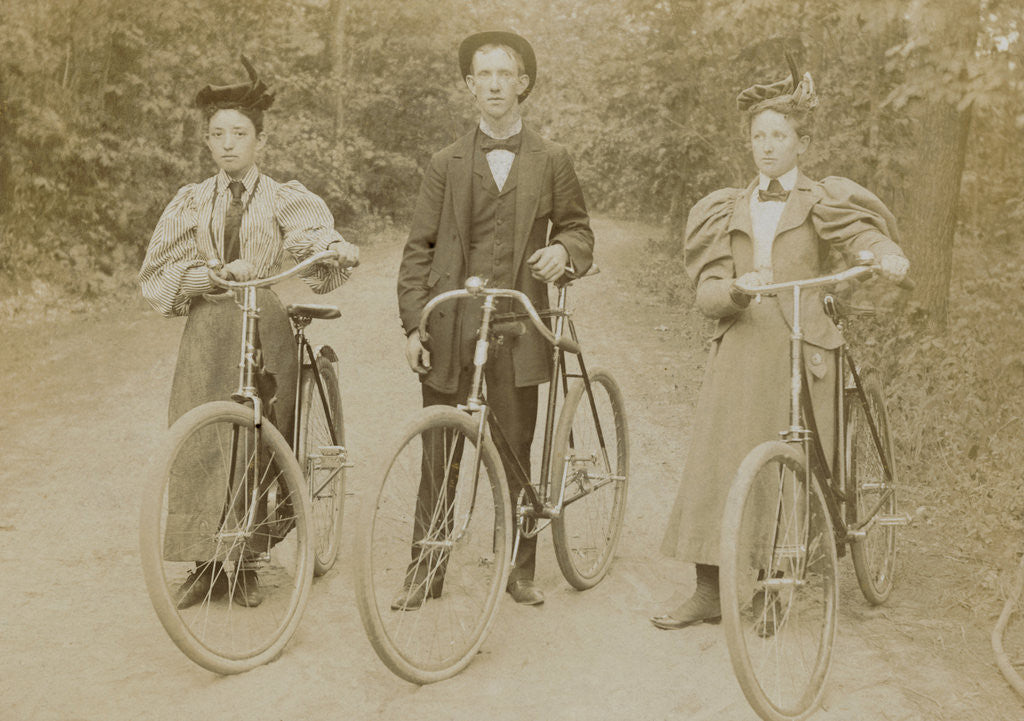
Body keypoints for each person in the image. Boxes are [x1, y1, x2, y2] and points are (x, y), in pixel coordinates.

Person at [651, 57, 910, 629]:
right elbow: (709, 289)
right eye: (758, 136)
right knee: (716, 457)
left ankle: (775, 583)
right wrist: (736, 292)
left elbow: (857, 233)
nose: (767, 147)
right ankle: (708, 588)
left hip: (803, 344)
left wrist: (880, 253)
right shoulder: (725, 208)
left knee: (791, 458)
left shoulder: (822, 200)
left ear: (802, 143)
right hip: (743, 342)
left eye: (779, 136)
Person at [139, 56, 359, 610]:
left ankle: (250, 558)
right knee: (198, 435)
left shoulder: (284, 196)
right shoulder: (191, 201)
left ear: (260, 140)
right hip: (209, 327)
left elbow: (313, 241)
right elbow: (155, 276)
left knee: (261, 434)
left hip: (264, 321)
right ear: (207, 142)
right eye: (218, 135)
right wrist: (203, 276)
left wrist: (333, 248)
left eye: (240, 133)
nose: (228, 144)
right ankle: (204, 563)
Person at [395, 31, 594, 608]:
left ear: (522, 84)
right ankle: (424, 570)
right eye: (483, 75)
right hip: (452, 325)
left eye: (504, 74)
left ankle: (519, 568)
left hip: (519, 323)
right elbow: (417, 250)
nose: (494, 85)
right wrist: (414, 325)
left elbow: (579, 228)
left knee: (516, 445)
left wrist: (566, 252)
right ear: (469, 86)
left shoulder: (552, 159)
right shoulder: (445, 163)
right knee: (440, 448)